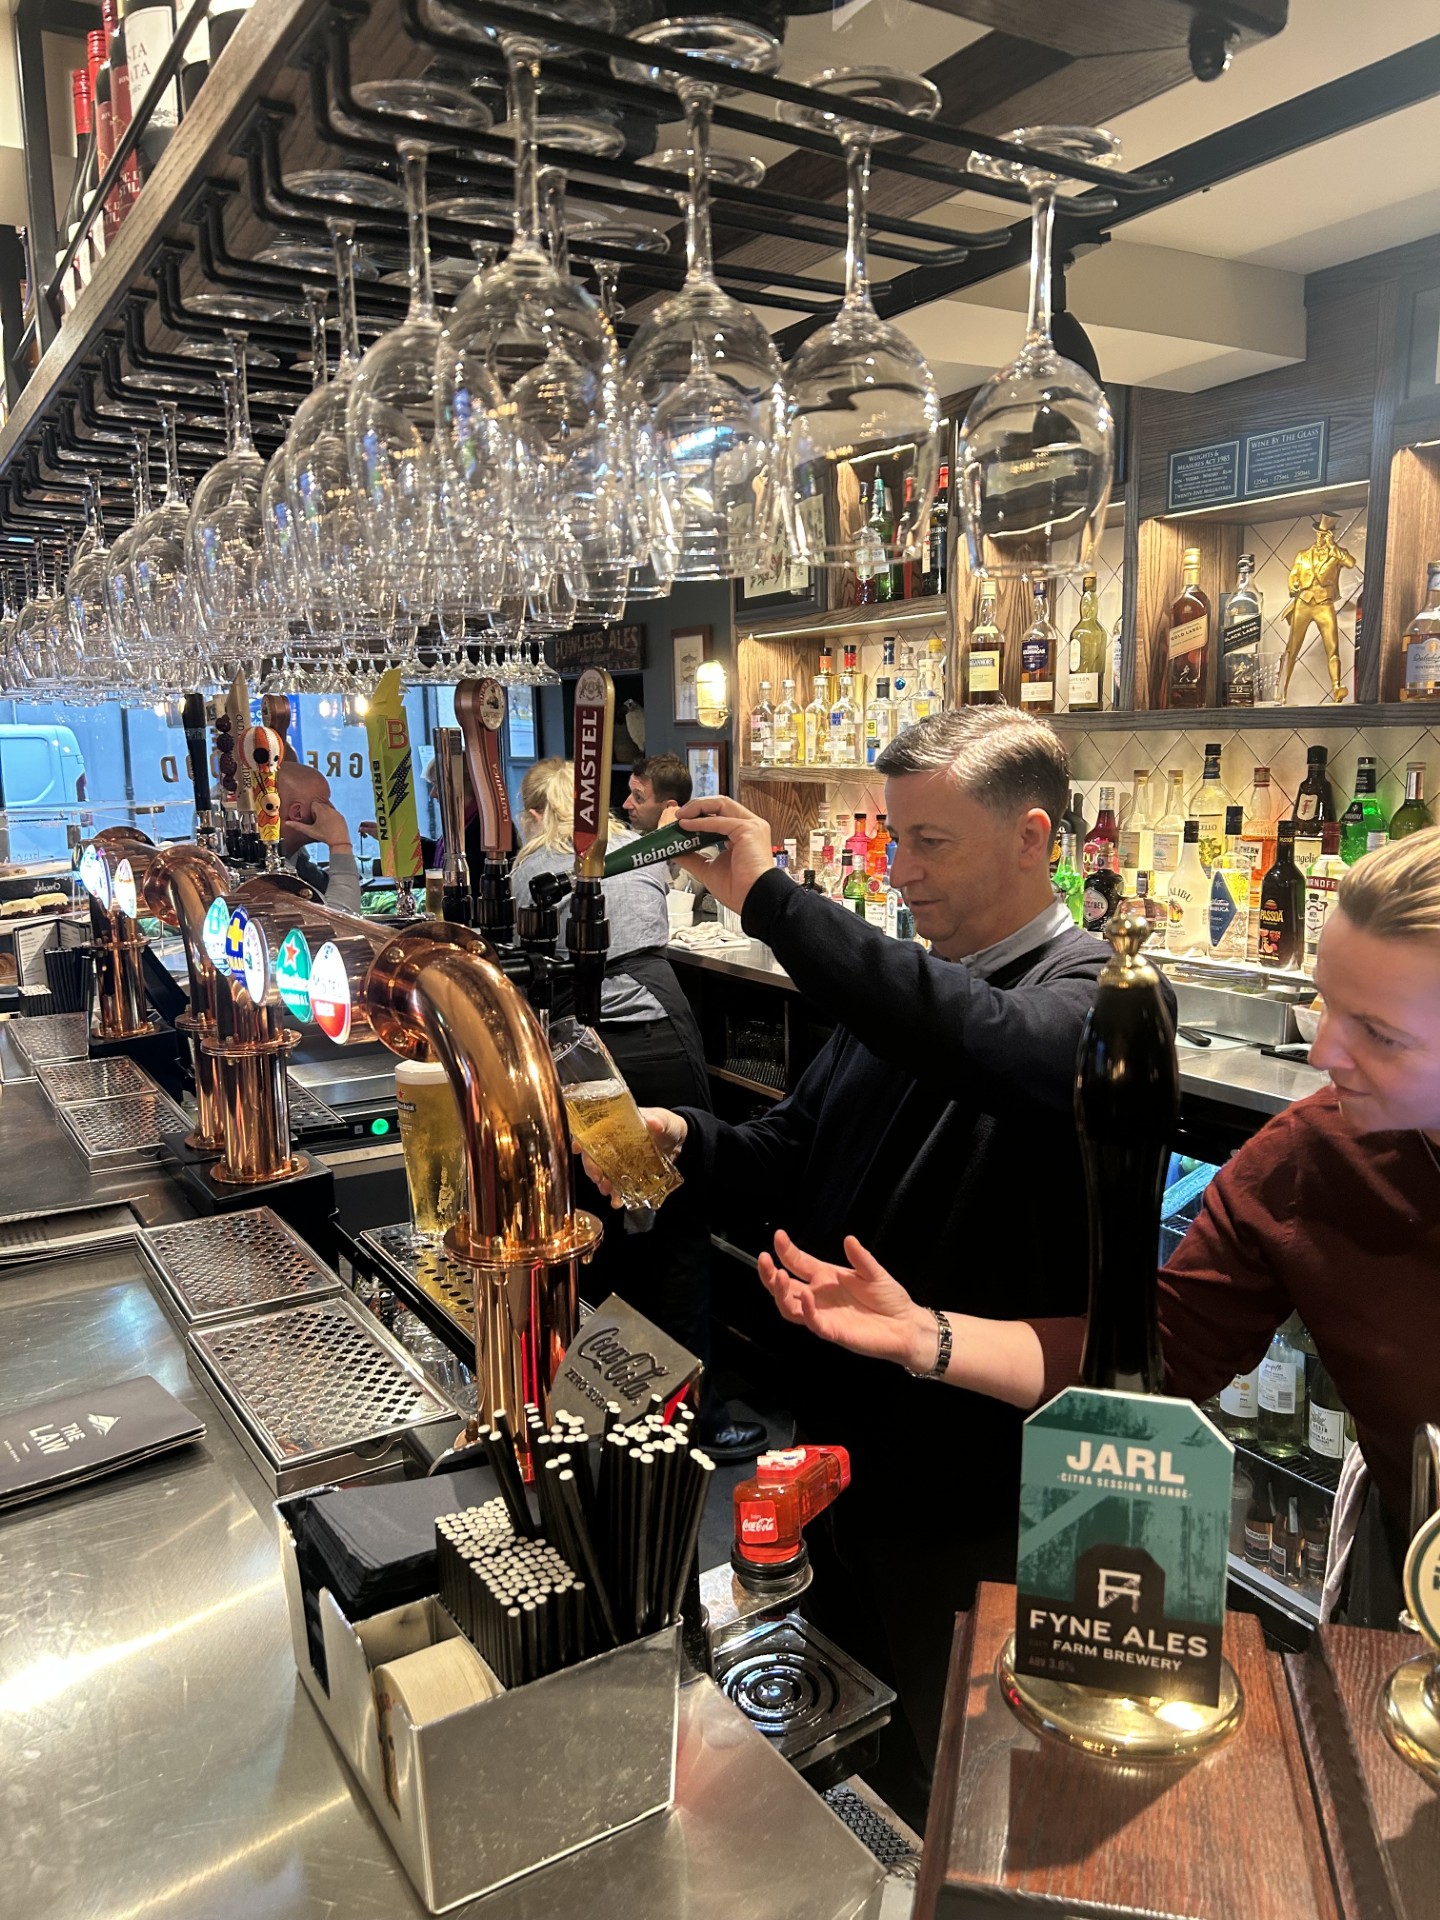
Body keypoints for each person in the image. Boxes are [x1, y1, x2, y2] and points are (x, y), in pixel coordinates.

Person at [580, 708, 1119, 1824]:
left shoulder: (1089, 1007)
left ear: (1033, 838)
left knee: (968, 1783)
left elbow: (979, 1038)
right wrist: (683, 1138)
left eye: (933, 844)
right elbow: (789, 1156)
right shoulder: (902, 996)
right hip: (835, 1454)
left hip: (972, 1484)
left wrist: (774, 899)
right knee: (849, 1729)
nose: (901, 871)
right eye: (893, 839)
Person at [757, 827, 1440, 1631]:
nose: (1326, 1052)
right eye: (1325, 1007)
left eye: (1381, 1034)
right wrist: (924, 1335)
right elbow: (1159, 1351)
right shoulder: (1312, 1159)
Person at [510, 758, 766, 1464]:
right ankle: (694, 1415)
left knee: (596, 1224)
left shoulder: (529, 867)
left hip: (575, 1045)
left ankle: (599, 1405)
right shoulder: (637, 846)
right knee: (675, 1231)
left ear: (536, 812)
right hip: (656, 1034)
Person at [276, 759, 364, 913]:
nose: (333, 809)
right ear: (298, 813)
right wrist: (340, 844)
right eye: (324, 802)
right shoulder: (271, 873)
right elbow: (342, 921)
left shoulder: (295, 857)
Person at [623, 753, 691, 834]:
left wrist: (664, 836)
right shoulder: (633, 835)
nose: (626, 805)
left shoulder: (698, 844)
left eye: (638, 797)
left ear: (669, 807)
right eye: (630, 792)